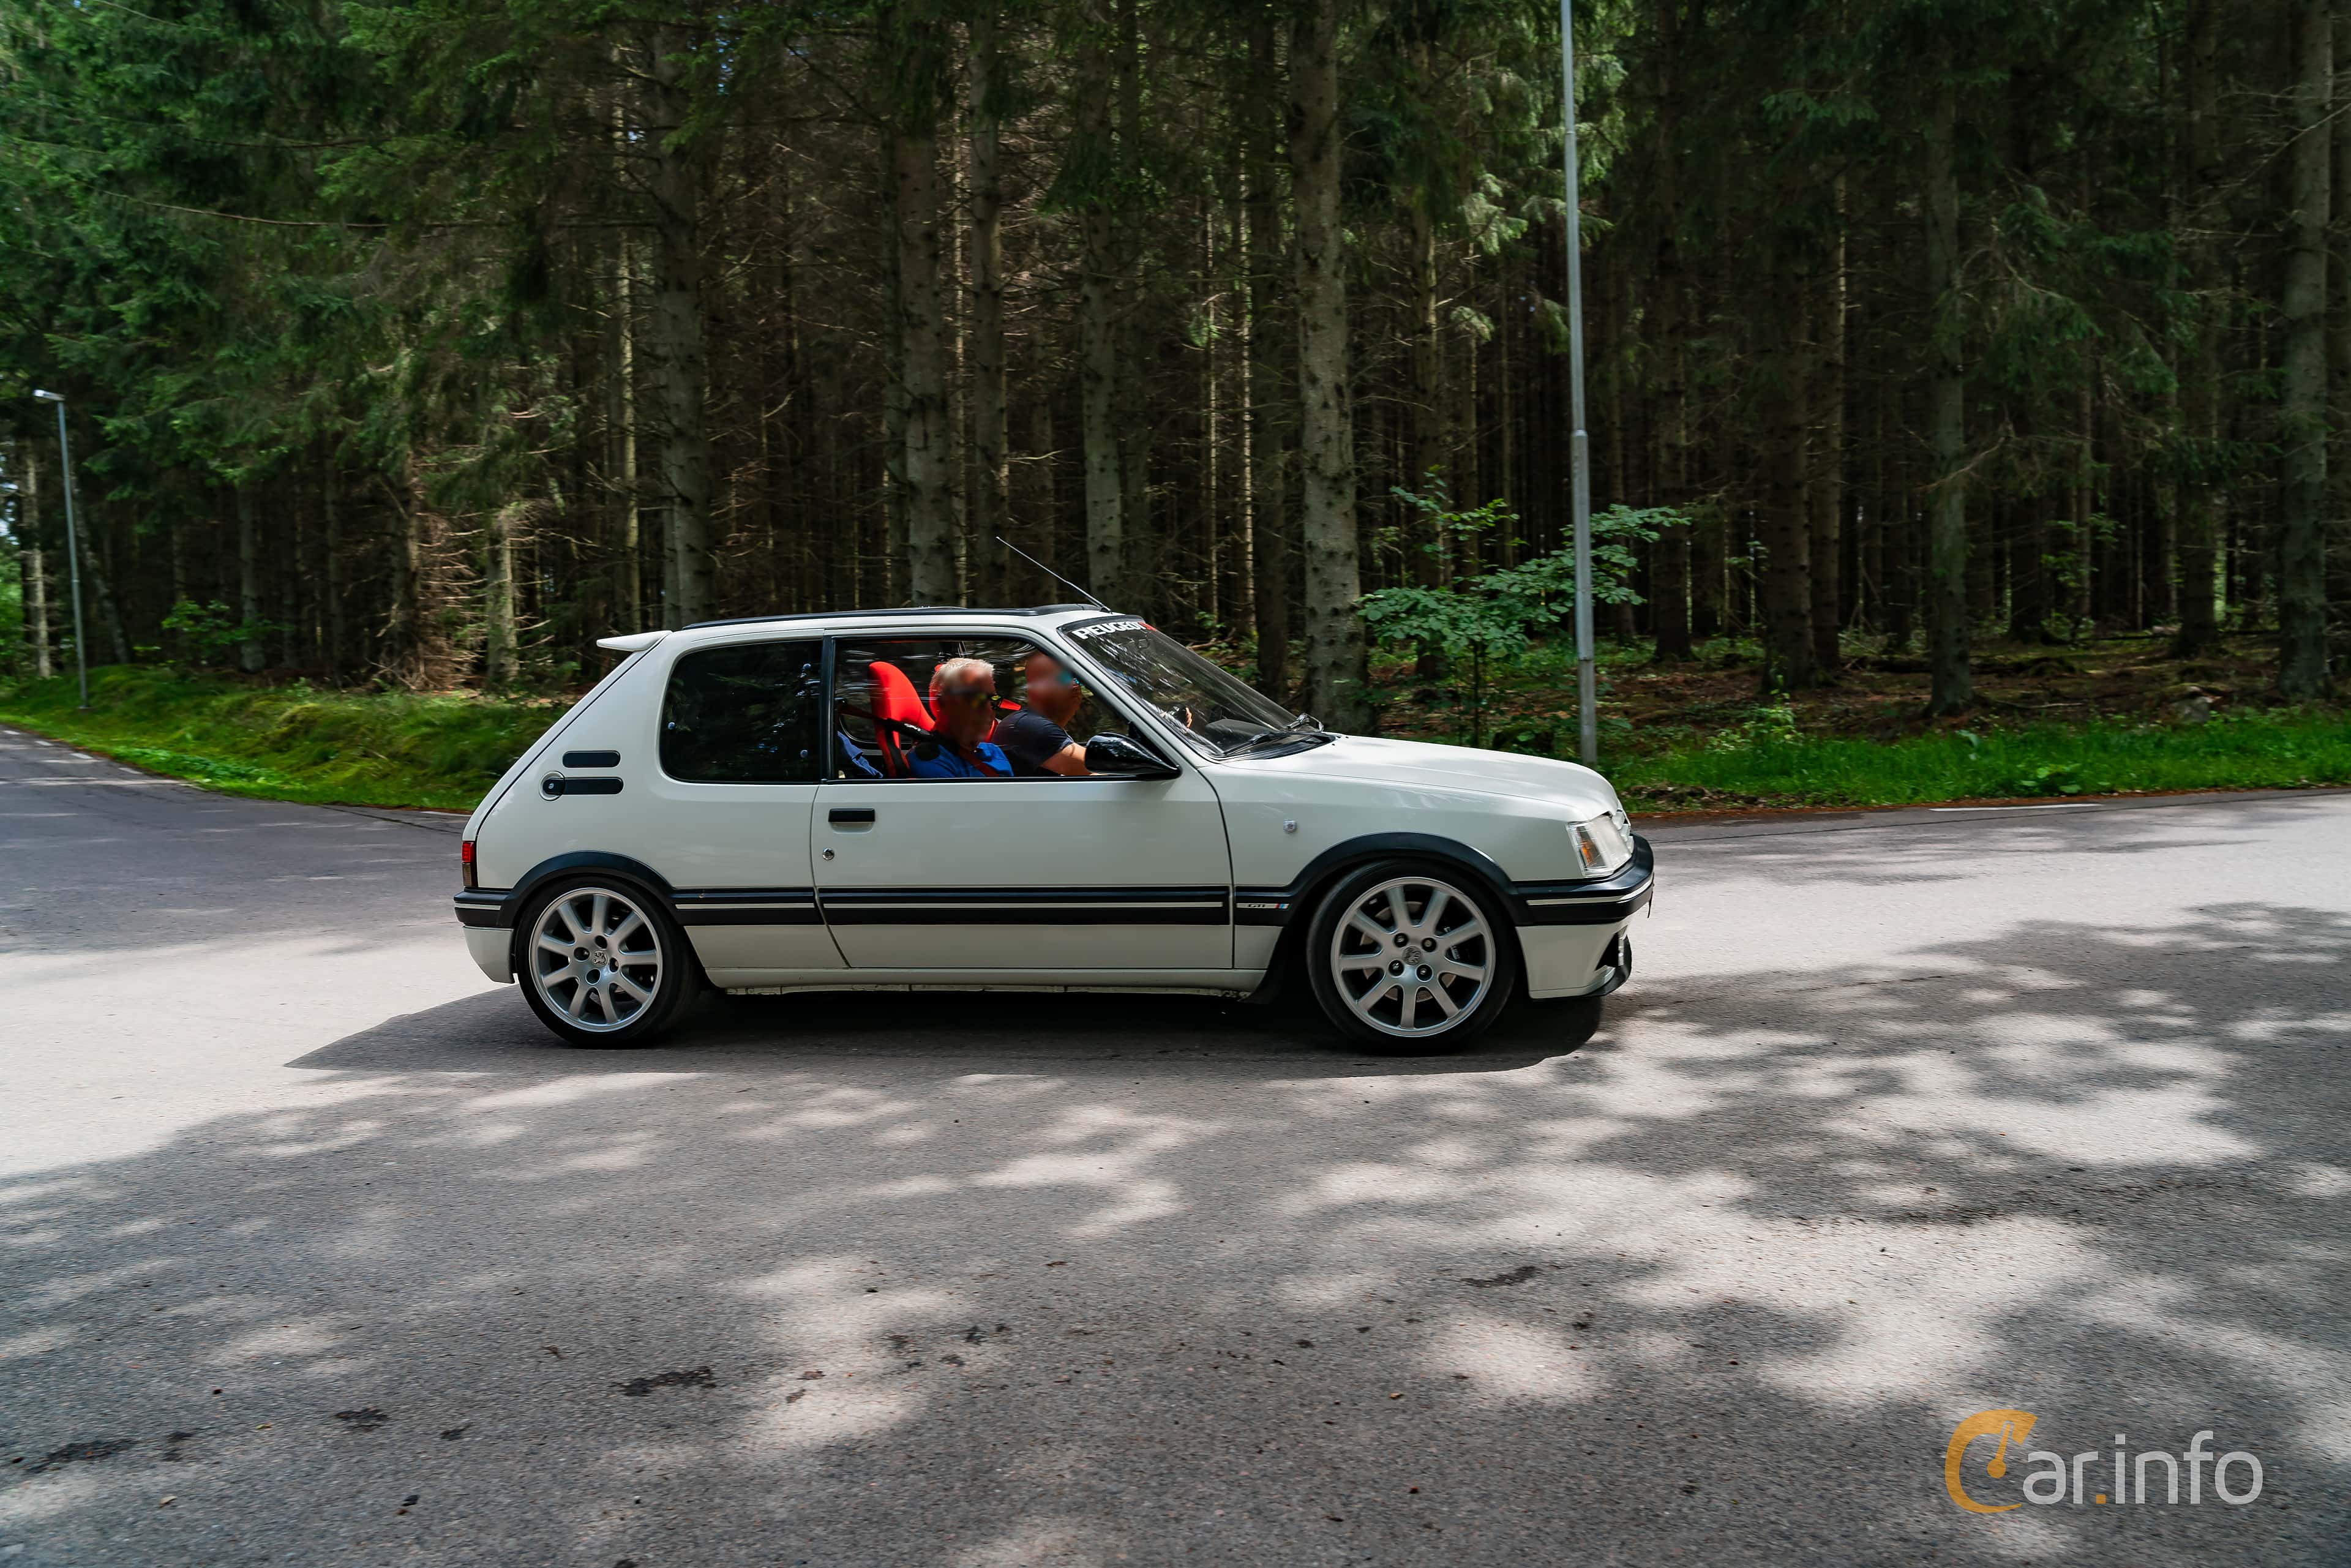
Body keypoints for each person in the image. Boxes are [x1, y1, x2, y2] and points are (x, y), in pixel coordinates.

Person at [991, 648, 1091, 777]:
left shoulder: (1039, 724)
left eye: (1076, 679)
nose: (1075, 685)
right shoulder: (1028, 726)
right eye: (1064, 678)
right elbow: (1098, 768)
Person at [911, 656, 1013, 779]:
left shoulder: (994, 751)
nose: (989, 711)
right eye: (977, 700)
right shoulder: (931, 761)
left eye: (993, 701)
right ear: (943, 703)